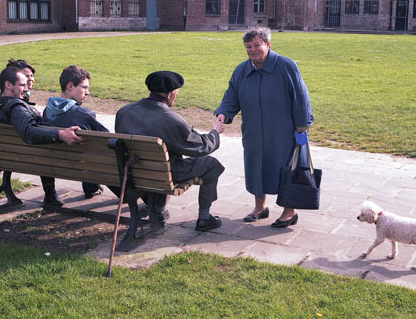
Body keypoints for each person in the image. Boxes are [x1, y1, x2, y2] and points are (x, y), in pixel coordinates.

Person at [214, 26, 313, 228]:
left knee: (286, 169)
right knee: (256, 167)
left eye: (257, 45)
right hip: (253, 132)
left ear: (267, 44)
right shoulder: (242, 70)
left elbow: (301, 97)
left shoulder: (286, 66)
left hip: (283, 132)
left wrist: (302, 126)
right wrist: (223, 113)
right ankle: (260, 208)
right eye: (248, 46)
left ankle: (289, 211)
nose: (252, 50)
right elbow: (231, 95)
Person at [115, 71, 226, 232]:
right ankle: (204, 217)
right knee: (211, 164)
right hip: (164, 173)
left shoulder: (124, 111)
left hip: (133, 171)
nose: (176, 96)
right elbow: (201, 147)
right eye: (176, 93)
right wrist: (214, 131)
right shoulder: (170, 119)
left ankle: (159, 210)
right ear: (169, 94)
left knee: (158, 164)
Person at [0, 64, 84, 208]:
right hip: (30, 158)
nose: (27, 88)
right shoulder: (16, 108)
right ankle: (83, 186)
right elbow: (28, 132)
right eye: (22, 85)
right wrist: (60, 134)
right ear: (8, 85)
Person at [42, 65, 108, 200]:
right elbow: (107, 139)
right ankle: (92, 187)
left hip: (51, 164)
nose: (87, 92)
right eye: (84, 87)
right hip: (80, 167)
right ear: (70, 86)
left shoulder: (46, 112)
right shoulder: (83, 114)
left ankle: (50, 195)